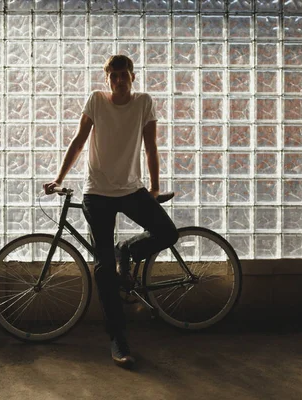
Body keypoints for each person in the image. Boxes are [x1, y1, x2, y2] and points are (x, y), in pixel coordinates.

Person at [43, 55, 179, 369]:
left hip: (132, 190)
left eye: (124, 75)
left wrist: (154, 188)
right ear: (108, 79)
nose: (119, 80)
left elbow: (151, 147)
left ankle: (126, 251)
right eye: (114, 76)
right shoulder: (96, 101)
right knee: (104, 269)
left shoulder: (144, 102)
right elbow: (78, 141)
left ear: (133, 77)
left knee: (167, 233)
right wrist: (59, 178)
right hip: (97, 194)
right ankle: (118, 339)